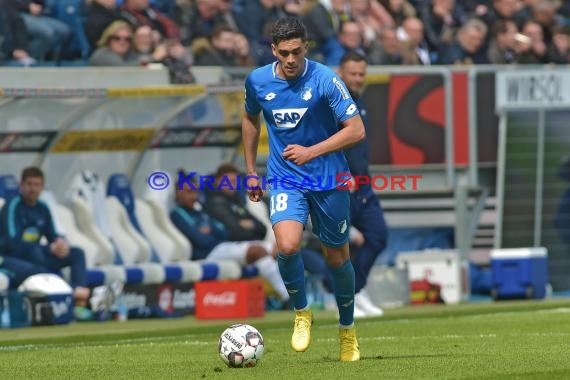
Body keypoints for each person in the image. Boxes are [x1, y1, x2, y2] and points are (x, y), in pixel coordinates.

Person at [241, 17, 365, 361]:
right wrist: (251, 171)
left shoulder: (326, 79)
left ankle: (347, 330)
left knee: (336, 256)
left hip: (329, 179)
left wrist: (312, 151)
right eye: (284, 53)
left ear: (306, 47)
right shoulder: (258, 81)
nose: (291, 59)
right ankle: (301, 312)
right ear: (274, 51)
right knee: (287, 244)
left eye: (297, 51)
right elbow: (250, 119)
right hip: (285, 178)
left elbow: (356, 130)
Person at [170, 173, 290, 304]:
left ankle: (281, 297)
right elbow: (200, 240)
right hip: (209, 253)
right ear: (178, 193)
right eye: (189, 192)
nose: (194, 196)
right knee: (258, 251)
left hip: (223, 246)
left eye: (195, 192)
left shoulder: (201, 212)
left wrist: (209, 232)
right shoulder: (177, 214)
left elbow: (225, 232)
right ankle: (287, 298)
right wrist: (211, 233)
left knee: (277, 248)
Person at [0, 167, 91, 320]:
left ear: (42, 187)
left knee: (76, 253)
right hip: (11, 258)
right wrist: (48, 248)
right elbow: (12, 243)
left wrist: (60, 245)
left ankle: (79, 301)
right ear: (21, 185)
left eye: (37, 185)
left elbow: (52, 236)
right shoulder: (12, 206)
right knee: (35, 252)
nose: (33, 189)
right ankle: (64, 297)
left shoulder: (43, 208)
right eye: (29, 184)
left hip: (38, 256)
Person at [338, 50, 388, 318]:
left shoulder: (359, 101)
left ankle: (356, 290)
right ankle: (346, 298)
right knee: (341, 246)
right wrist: (338, 173)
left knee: (378, 235)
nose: (357, 79)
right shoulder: (331, 104)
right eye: (353, 74)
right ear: (340, 73)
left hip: (364, 185)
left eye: (361, 74)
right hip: (341, 185)